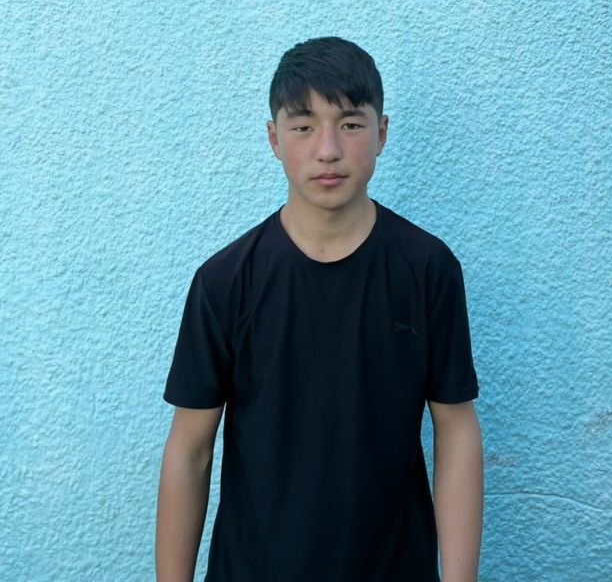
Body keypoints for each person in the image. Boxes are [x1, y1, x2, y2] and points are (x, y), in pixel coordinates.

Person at [155, 36, 483, 582]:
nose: (327, 149)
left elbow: (456, 431)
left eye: (350, 124)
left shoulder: (428, 270)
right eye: (303, 126)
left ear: (381, 133)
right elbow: (190, 450)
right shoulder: (225, 282)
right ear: (274, 139)